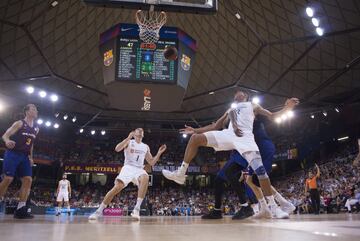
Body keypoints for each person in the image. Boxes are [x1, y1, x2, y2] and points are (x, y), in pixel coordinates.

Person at [163, 89, 299, 216]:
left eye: (241, 92)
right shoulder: (231, 109)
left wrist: (287, 108)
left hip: (245, 138)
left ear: (246, 96)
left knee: (261, 172)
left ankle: (274, 207)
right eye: (236, 93)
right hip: (228, 135)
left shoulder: (253, 105)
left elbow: (272, 116)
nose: (238, 93)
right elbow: (215, 125)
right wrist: (196, 130)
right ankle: (181, 173)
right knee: (195, 139)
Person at [89, 128, 166, 220]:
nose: (140, 135)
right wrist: (128, 138)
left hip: (139, 169)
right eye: (138, 133)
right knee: (116, 188)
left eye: (141, 134)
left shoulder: (145, 146)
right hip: (128, 168)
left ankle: (136, 209)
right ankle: (98, 211)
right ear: (134, 134)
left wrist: (159, 153)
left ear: (143, 135)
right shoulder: (129, 142)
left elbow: (152, 162)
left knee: (145, 177)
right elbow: (117, 149)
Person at [0, 104, 39, 219]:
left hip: (25, 156)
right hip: (13, 153)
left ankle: (20, 209)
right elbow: (5, 135)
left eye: (36, 109)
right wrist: (7, 141)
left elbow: (31, 144)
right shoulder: (19, 123)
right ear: (27, 111)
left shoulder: (36, 128)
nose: (36, 111)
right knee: (8, 179)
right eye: (33, 109)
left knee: (28, 179)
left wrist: (31, 157)